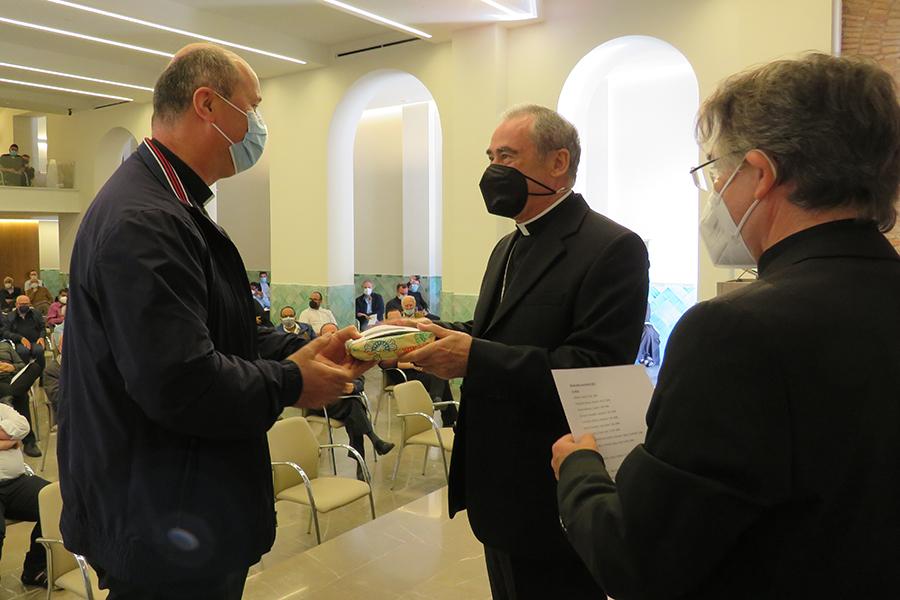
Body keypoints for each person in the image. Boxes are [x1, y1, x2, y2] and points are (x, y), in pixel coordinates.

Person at [551, 54, 900, 600]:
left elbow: (637, 560)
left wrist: (580, 471)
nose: (712, 194)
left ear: (760, 174)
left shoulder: (734, 331)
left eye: (713, 172)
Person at [59, 43, 370, 599]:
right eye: (252, 107)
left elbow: (220, 330)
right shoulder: (145, 219)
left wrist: (303, 348)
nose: (258, 126)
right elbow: (181, 380)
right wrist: (295, 381)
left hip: (183, 503)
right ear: (207, 104)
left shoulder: (174, 204)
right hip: (162, 518)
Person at [403, 104, 649, 599]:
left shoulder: (612, 247)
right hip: (497, 486)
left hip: (551, 488)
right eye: (491, 156)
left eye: (508, 156)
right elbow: (494, 331)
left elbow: (594, 367)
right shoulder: (507, 246)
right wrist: (428, 333)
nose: (494, 170)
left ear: (558, 163)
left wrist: (474, 357)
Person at [308, 323, 394, 480]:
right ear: (320, 337)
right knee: (354, 406)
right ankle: (373, 440)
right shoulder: (313, 356)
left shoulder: (347, 355)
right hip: (321, 404)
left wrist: (352, 386)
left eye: (335, 333)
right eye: (327, 334)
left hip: (344, 403)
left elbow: (360, 380)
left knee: (353, 412)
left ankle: (361, 465)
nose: (331, 337)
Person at [0, 401, 51, 587]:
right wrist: (10, 441)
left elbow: (23, 425)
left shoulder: (2, 409)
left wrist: (13, 439)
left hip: (17, 482)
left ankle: (35, 569)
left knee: (55, 504)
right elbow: (16, 434)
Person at [0, 341, 42, 457]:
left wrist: (12, 367)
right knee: (22, 396)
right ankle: (29, 442)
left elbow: (21, 365)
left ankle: (9, 396)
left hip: (13, 379)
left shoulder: (5, 346)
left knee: (34, 367)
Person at [3, 296, 46, 374]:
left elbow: (43, 328)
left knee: (39, 350)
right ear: (16, 304)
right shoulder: (10, 316)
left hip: (35, 340)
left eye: (26, 304)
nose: (24, 306)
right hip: (19, 342)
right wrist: (20, 338)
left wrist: (41, 337)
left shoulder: (36, 314)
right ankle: (23, 375)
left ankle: (40, 375)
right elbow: (6, 332)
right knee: (23, 351)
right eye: (21, 304)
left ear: (29, 304)